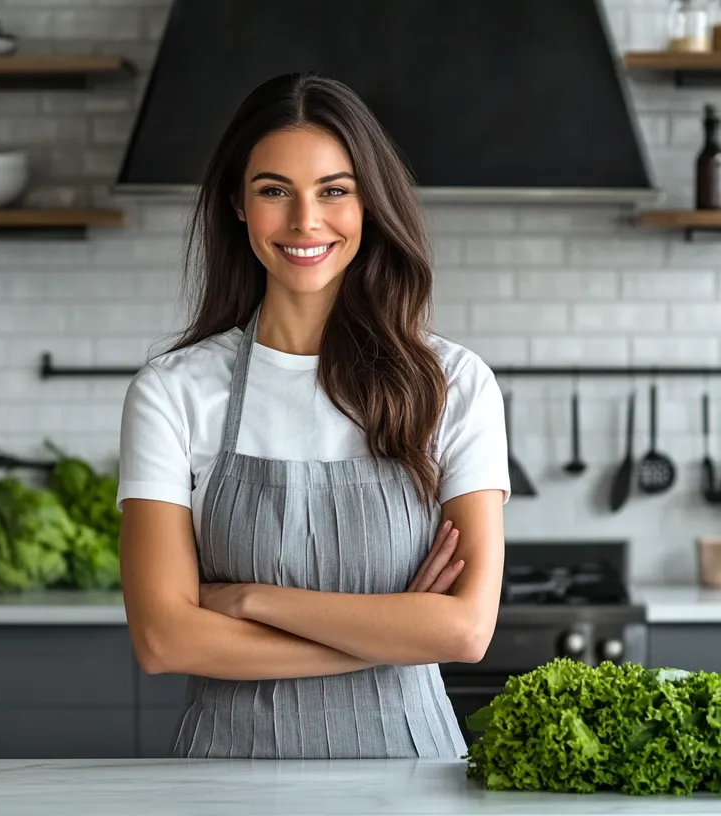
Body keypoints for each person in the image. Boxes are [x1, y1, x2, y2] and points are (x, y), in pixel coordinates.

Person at [116, 72, 510, 760]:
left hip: (410, 779)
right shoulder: (171, 393)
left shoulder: (451, 384)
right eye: (275, 191)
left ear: (369, 204)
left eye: (335, 190)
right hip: (221, 784)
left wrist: (249, 601)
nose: (306, 221)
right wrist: (390, 637)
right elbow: (164, 640)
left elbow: (465, 631)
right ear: (239, 204)